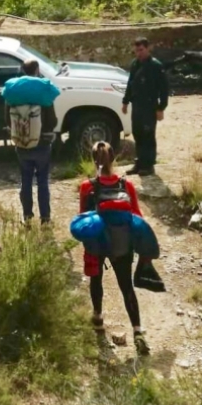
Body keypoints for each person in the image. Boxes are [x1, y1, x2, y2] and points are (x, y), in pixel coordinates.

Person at [78, 141, 151, 356]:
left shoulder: (86, 187)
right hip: (122, 243)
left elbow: (83, 217)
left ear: (93, 160)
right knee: (126, 286)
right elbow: (137, 216)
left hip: (98, 242)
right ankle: (138, 332)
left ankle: (98, 318)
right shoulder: (126, 185)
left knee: (96, 279)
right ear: (113, 159)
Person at [2, 59, 60, 224]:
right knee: (42, 182)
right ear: (37, 69)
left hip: (21, 144)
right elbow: (53, 121)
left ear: (23, 70)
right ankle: (45, 218)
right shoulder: (43, 89)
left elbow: (7, 119)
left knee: (25, 180)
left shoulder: (12, 91)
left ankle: (27, 216)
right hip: (41, 144)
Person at [121, 37, 170, 177]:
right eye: (136, 51)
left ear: (148, 49)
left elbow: (164, 89)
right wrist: (125, 102)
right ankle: (140, 163)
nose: (139, 53)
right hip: (137, 106)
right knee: (138, 134)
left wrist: (161, 108)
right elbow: (130, 84)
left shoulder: (156, 66)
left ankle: (148, 165)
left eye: (141, 50)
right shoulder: (135, 64)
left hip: (150, 106)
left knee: (148, 135)